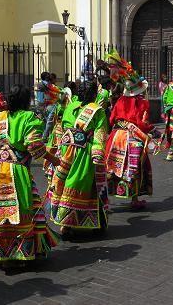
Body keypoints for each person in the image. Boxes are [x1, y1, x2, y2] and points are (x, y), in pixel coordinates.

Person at [0, 84, 60, 268]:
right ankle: (17, 252)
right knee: (20, 209)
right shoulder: (29, 118)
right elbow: (34, 146)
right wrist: (54, 159)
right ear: (26, 101)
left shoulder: (0, 117)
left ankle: (1, 250)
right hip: (16, 170)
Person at [48, 81, 109, 237]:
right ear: (94, 95)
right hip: (83, 153)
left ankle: (66, 224)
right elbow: (99, 135)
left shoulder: (70, 107)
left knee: (64, 183)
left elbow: (61, 129)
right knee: (85, 186)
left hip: (66, 151)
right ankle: (73, 223)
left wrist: (61, 150)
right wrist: (98, 156)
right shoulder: (97, 111)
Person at [104, 50, 160, 210]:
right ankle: (134, 199)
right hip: (133, 139)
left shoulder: (120, 100)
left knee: (113, 168)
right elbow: (143, 124)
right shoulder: (142, 103)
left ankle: (106, 198)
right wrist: (154, 131)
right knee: (136, 168)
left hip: (116, 137)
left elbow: (112, 119)